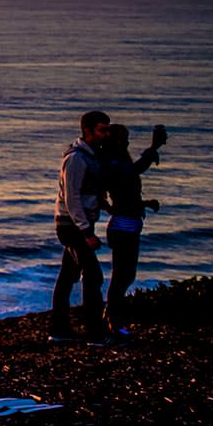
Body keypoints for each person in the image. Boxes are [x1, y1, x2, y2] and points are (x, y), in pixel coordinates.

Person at [100, 123, 166, 337]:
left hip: (128, 224)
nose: (128, 142)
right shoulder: (113, 163)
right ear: (115, 141)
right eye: (124, 138)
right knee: (122, 275)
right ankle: (113, 319)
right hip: (122, 226)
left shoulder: (119, 162)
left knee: (126, 274)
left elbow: (127, 186)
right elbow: (130, 175)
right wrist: (153, 147)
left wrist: (143, 203)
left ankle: (110, 315)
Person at [51, 109, 110, 344]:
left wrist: (104, 205)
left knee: (68, 276)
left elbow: (88, 191)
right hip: (71, 225)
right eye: (102, 130)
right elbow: (72, 197)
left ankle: (59, 329)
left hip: (79, 223)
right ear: (88, 130)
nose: (106, 134)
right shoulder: (75, 158)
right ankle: (94, 332)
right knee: (93, 275)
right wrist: (86, 231)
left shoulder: (92, 155)